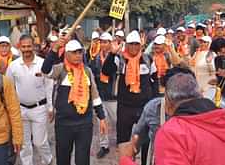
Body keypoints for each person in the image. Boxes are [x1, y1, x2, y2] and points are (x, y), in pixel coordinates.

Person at [41, 39, 107, 165]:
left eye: (80, 52)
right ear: (66, 54)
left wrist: (102, 118)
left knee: (82, 160)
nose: (78, 56)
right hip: (64, 124)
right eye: (74, 52)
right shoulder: (61, 70)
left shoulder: (87, 72)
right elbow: (46, 70)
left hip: (84, 124)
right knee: (63, 159)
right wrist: (54, 50)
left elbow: (95, 96)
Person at [102, 30, 157, 165]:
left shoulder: (148, 60)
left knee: (145, 139)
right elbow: (106, 71)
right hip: (125, 107)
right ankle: (125, 162)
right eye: (131, 44)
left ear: (140, 45)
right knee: (123, 140)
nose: (133, 47)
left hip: (144, 107)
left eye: (136, 44)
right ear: (126, 45)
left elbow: (155, 81)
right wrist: (112, 53)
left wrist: (153, 103)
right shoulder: (119, 59)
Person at [6, 35, 53, 165]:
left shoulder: (43, 64)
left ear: (34, 46)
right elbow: (9, 89)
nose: (26, 49)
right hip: (20, 110)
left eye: (29, 46)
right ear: (19, 47)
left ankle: (48, 160)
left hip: (39, 109)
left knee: (40, 142)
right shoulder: (13, 66)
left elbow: (49, 86)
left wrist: (50, 107)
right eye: (24, 46)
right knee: (24, 143)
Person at [87, 32, 117, 159]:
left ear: (111, 43)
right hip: (99, 96)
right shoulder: (94, 59)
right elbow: (91, 76)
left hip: (113, 95)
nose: (104, 44)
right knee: (102, 123)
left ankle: (119, 139)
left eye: (106, 42)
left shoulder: (117, 57)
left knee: (116, 121)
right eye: (102, 42)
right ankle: (104, 145)